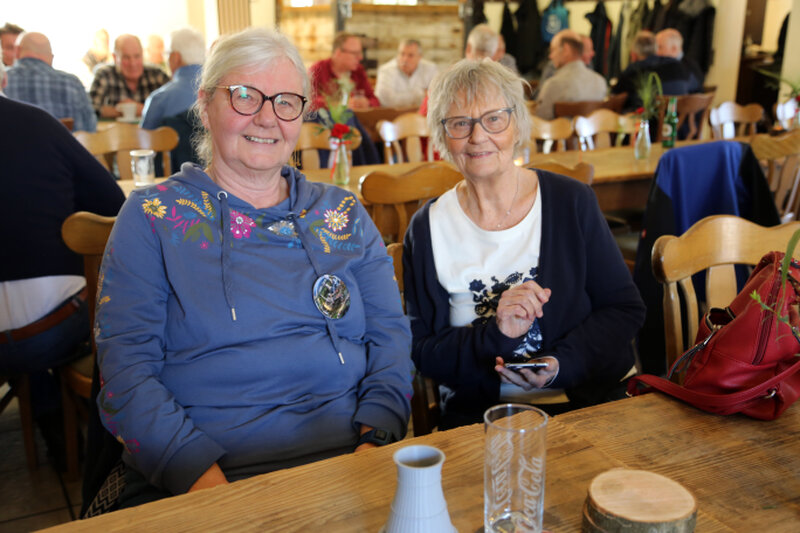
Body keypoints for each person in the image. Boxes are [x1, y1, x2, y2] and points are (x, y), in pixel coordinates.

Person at [93, 27, 412, 508]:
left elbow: (390, 337)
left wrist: (373, 449)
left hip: (351, 463)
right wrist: (219, 498)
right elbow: (126, 375)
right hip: (204, 480)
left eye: (286, 101)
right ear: (205, 105)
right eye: (245, 95)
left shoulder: (342, 212)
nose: (267, 117)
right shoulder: (152, 217)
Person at [404, 58, 645, 429]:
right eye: (460, 123)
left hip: (586, 405)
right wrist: (496, 335)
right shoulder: (426, 228)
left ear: (517, 124)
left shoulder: (571, 202)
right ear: (441, 136)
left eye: (494, 119)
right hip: (480, 420)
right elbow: (422, 351)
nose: (477, 136)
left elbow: (624, 309)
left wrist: (561, 364)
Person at [0, 96, 124, 469]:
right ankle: (62, 418)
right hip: (53, 329)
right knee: (84, 306)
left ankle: (47, 410)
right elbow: (112, 202)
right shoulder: (37, 123)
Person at [6, 32, 97, 132]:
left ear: (17, 51)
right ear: (51, 57)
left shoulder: (3, 80)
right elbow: (90, 129)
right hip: (61, 142)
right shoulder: (72, 83)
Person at [611, 30, 699, 113]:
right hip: (679, 121)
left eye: (661, 47)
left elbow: (614, 97)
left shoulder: (634, 69)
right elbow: (697, 92)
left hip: (647, 122)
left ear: (633, 55)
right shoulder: (679, 66)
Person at [89, 34, 170, 119]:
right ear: (115, 57)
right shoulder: (104, 74)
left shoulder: (157, 75)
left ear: (142, 55)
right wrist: (122, 111)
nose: (133, 63)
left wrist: (143, 109)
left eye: (137, 56)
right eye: (126, 57)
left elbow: (174, 108)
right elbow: (90, 109)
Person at [140, 27, 205, 130]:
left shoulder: (159, 99)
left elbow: (145, 137)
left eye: (167, 54)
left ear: (175, 57)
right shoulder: (220, 91)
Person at [534, 29, 607, 119]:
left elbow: (540, 122)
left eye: (553, 50)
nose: (550, 56)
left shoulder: (553, 85)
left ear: (566, 49)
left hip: (560, 128)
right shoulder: (601, 82)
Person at [309, 32, 379, 111]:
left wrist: (367, 103)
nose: (360, 57)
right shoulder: (318, 70)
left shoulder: (358, 71)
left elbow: (375, 101)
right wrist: (336, 104)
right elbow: (307, 101)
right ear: (338, 53)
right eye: (355, 53)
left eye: (360, 53)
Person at [374, 39, 437, 108]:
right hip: (392, 114)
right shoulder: (386, 70)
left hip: (423, 113)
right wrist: (420, 95)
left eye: (410, 55)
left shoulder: (431, 69)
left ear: (419, 57)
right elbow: (386, 100)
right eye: (402, 54)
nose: (405, 59)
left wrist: (398, 97)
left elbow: (436, 97)